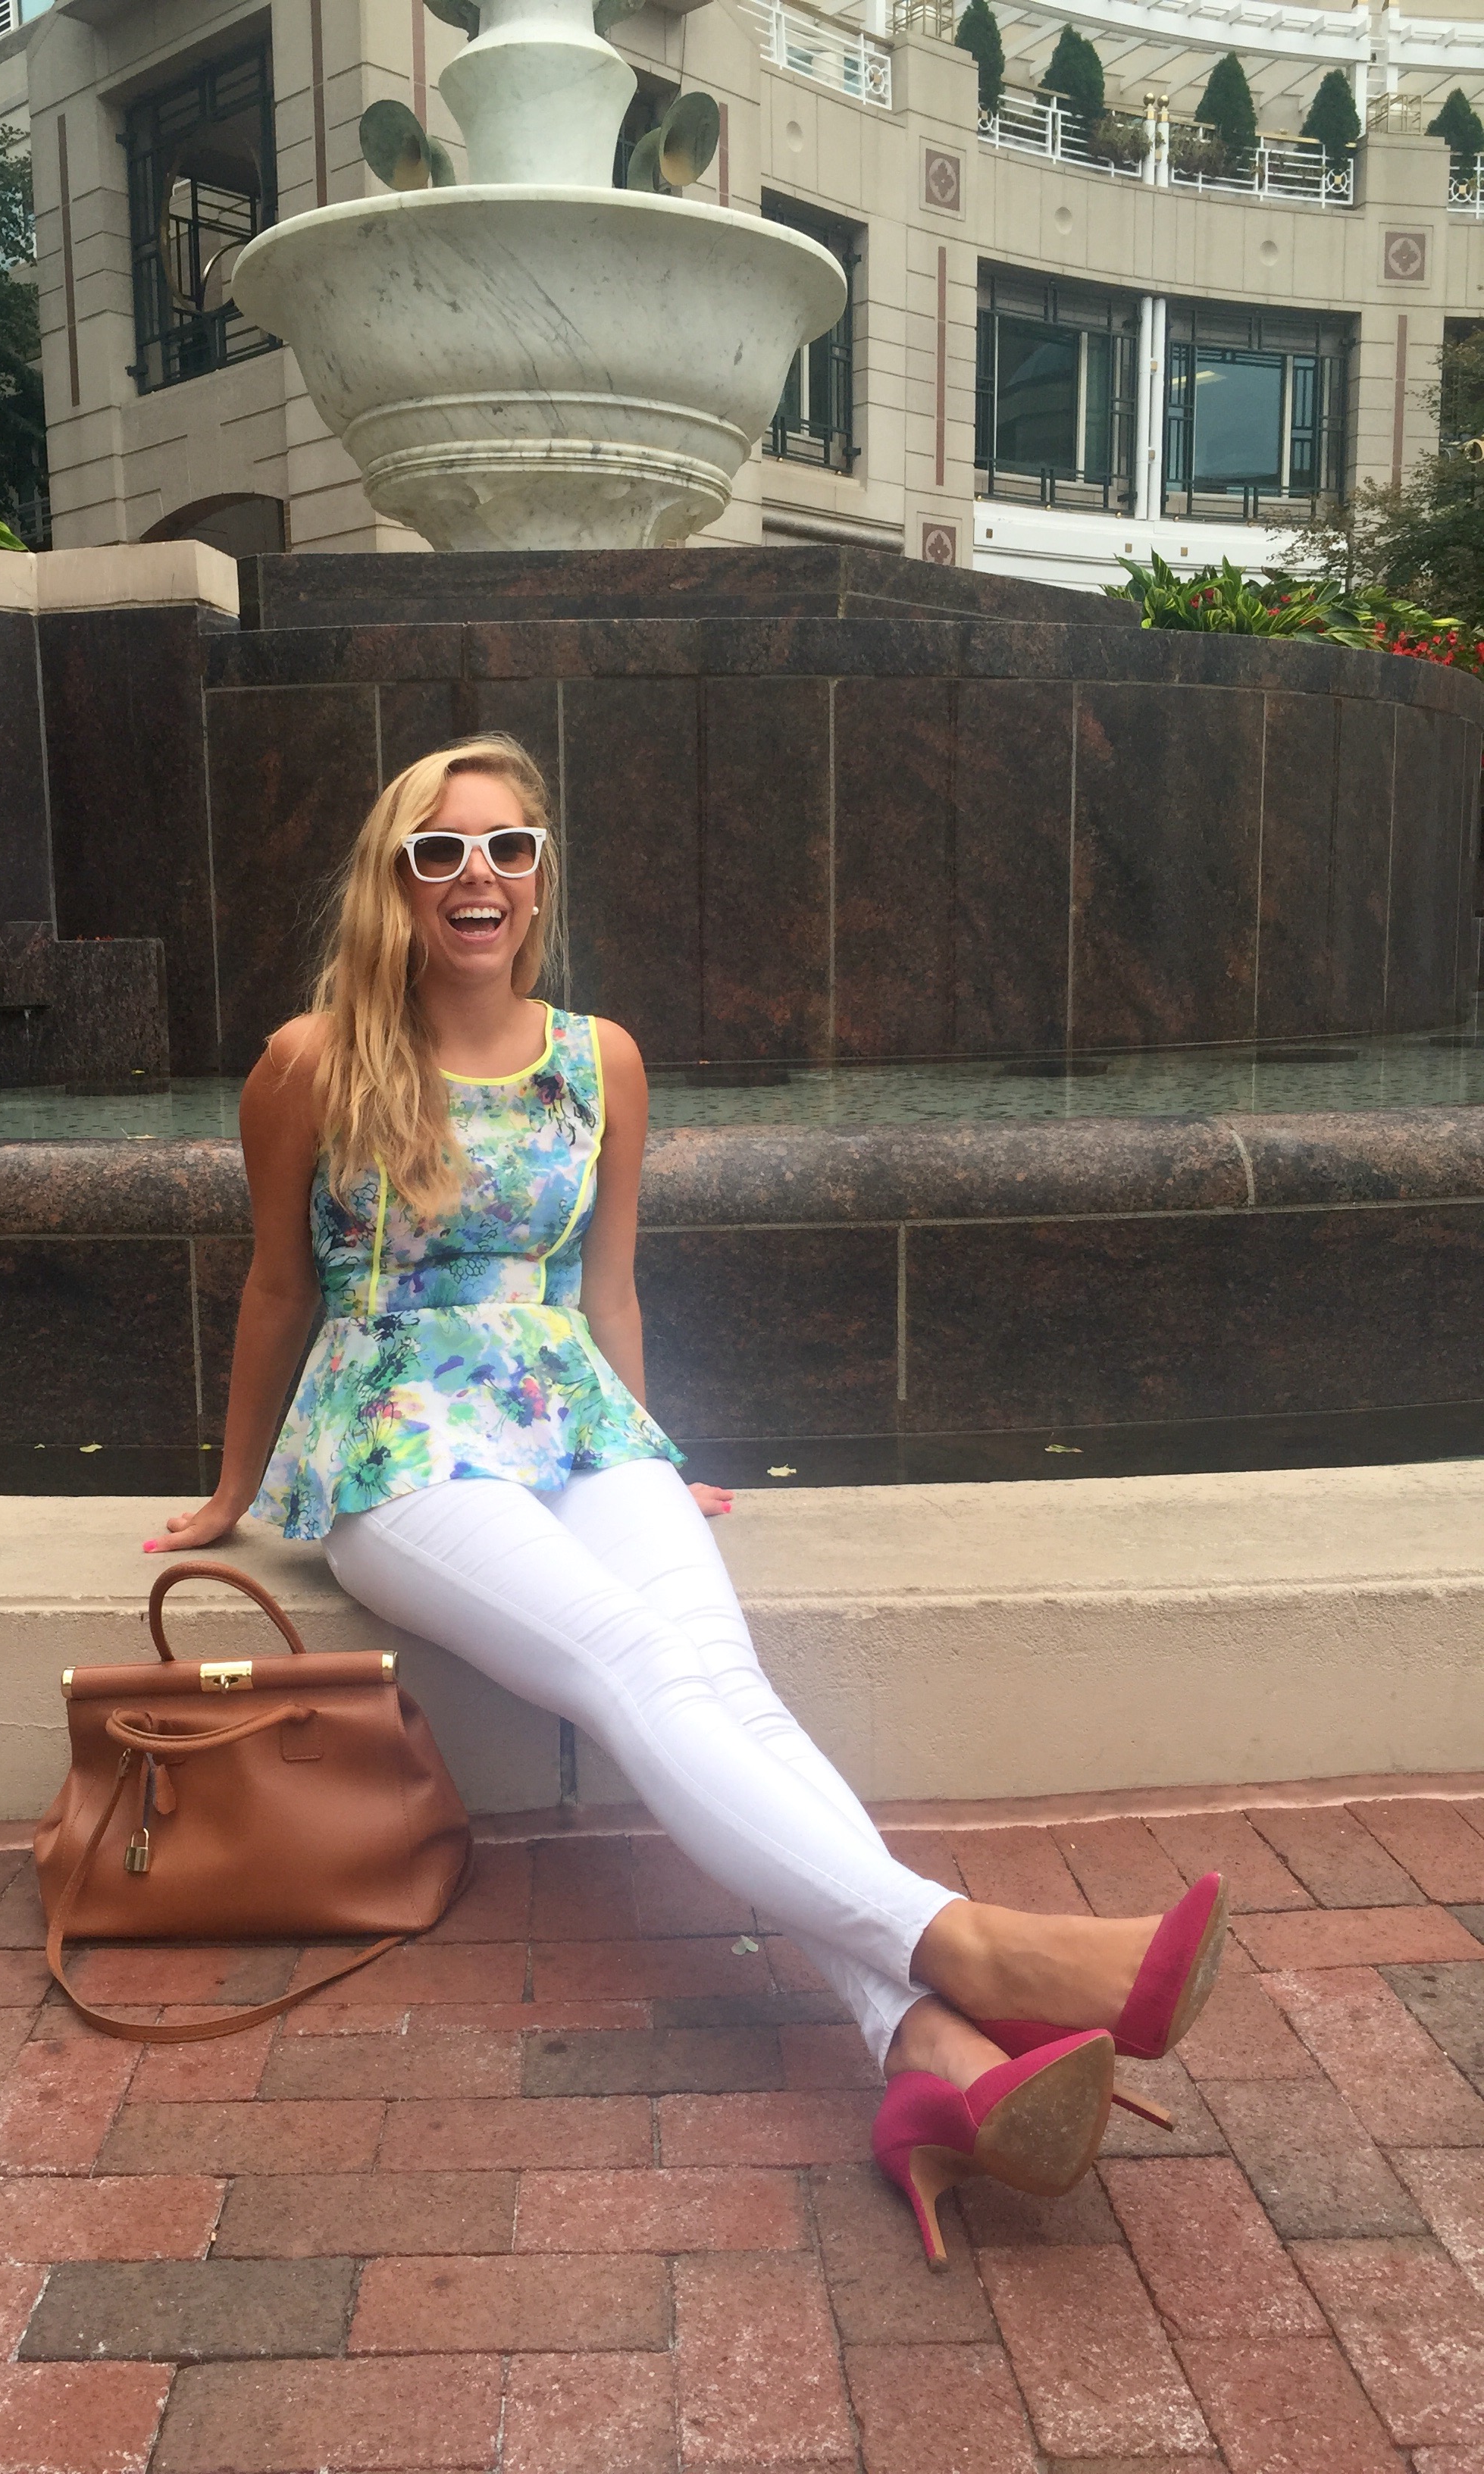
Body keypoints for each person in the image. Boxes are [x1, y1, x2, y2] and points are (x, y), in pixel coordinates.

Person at [146, 734, 1226, 2268]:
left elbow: (610, 1290)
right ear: (395, 883)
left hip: (575, 1416)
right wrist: (234, 1489)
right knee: (638, 1661)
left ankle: (930, 2054)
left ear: (541, 879)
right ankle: (974, 1948)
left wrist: (647, 1443)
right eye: (439, 853)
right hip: (400, 1436)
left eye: (507, 849)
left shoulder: (602, 1059)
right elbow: (274, 1287)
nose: (476, 879)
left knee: (725, 1674)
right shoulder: (312, 1062)